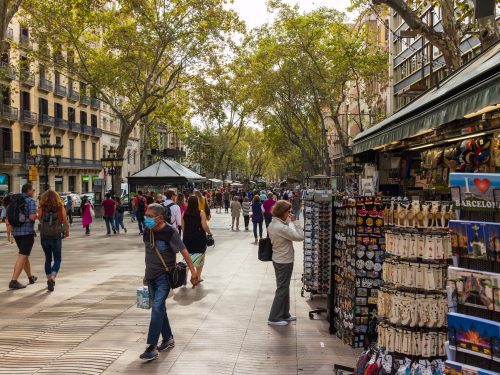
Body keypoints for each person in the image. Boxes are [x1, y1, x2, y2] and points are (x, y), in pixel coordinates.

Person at [140, 204, 199, 361]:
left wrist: (193, 271)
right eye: (146, 216)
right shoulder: (147, 230)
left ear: (160, 217)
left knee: (157, 308)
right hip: (151, 275)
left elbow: (184, 251)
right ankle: (168, 338)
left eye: (150, 216)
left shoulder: (170, 232)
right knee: (159, 308)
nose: (147, 219)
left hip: (164, 276)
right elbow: (149, 253)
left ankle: (151, 346)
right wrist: (146, 274)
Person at [267, 200, 304, 326]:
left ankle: (284, 313)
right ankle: (274, 317)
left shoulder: (273, 224)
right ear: (282, 212)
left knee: (284, 287)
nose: (289, 213)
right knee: (282, 289)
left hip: (278, 258)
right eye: (288, 211)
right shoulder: (281, 227)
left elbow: (284, 228)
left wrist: (288, 221)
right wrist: (296, 222)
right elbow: (300, 236)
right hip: (284, 261)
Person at [38, 189, 69, 292]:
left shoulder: (42, 207)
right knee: (57, 259)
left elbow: (39, 218)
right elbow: (65, 219)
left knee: (48, 258)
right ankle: (52, 277)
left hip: (44, 235)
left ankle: (48, 279)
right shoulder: (60, 207)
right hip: (56, 234)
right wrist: (67, 230)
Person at [8, 183, 38, 289]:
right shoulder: (30, 201)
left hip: (16, 232)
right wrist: (38, 215)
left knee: (24, 255)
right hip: (27, 232)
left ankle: (30, 277)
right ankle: (14, 281)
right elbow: (32, 217)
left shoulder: (15, 199)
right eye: (33, 190)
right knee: (22, 255)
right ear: (29, 190)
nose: (33, 192)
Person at [182, 196, 212, 282]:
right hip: (199, 238)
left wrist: (187, 234)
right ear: (197, 203)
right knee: (200, 256)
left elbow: (183, 227)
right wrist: (209, 232)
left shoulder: (184, 213)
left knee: (187, 257)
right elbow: (204, 225)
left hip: (187, 238)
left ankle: (184, 276)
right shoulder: (201, 213)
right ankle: (198, 277)